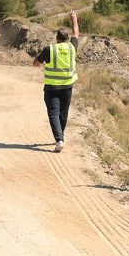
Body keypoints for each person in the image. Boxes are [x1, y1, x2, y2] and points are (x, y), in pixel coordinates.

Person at [33, 9, 79, 152]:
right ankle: (61, 137)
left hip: (52, 88)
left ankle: (59, 139)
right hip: (67, 87)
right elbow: (76, 33)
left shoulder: (50, 49)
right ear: (67, 38)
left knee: (53, 113)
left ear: (57, 38)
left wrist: (40, 60)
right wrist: (74, 19)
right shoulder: (72, 47)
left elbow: (36, 63)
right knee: (63, 113)